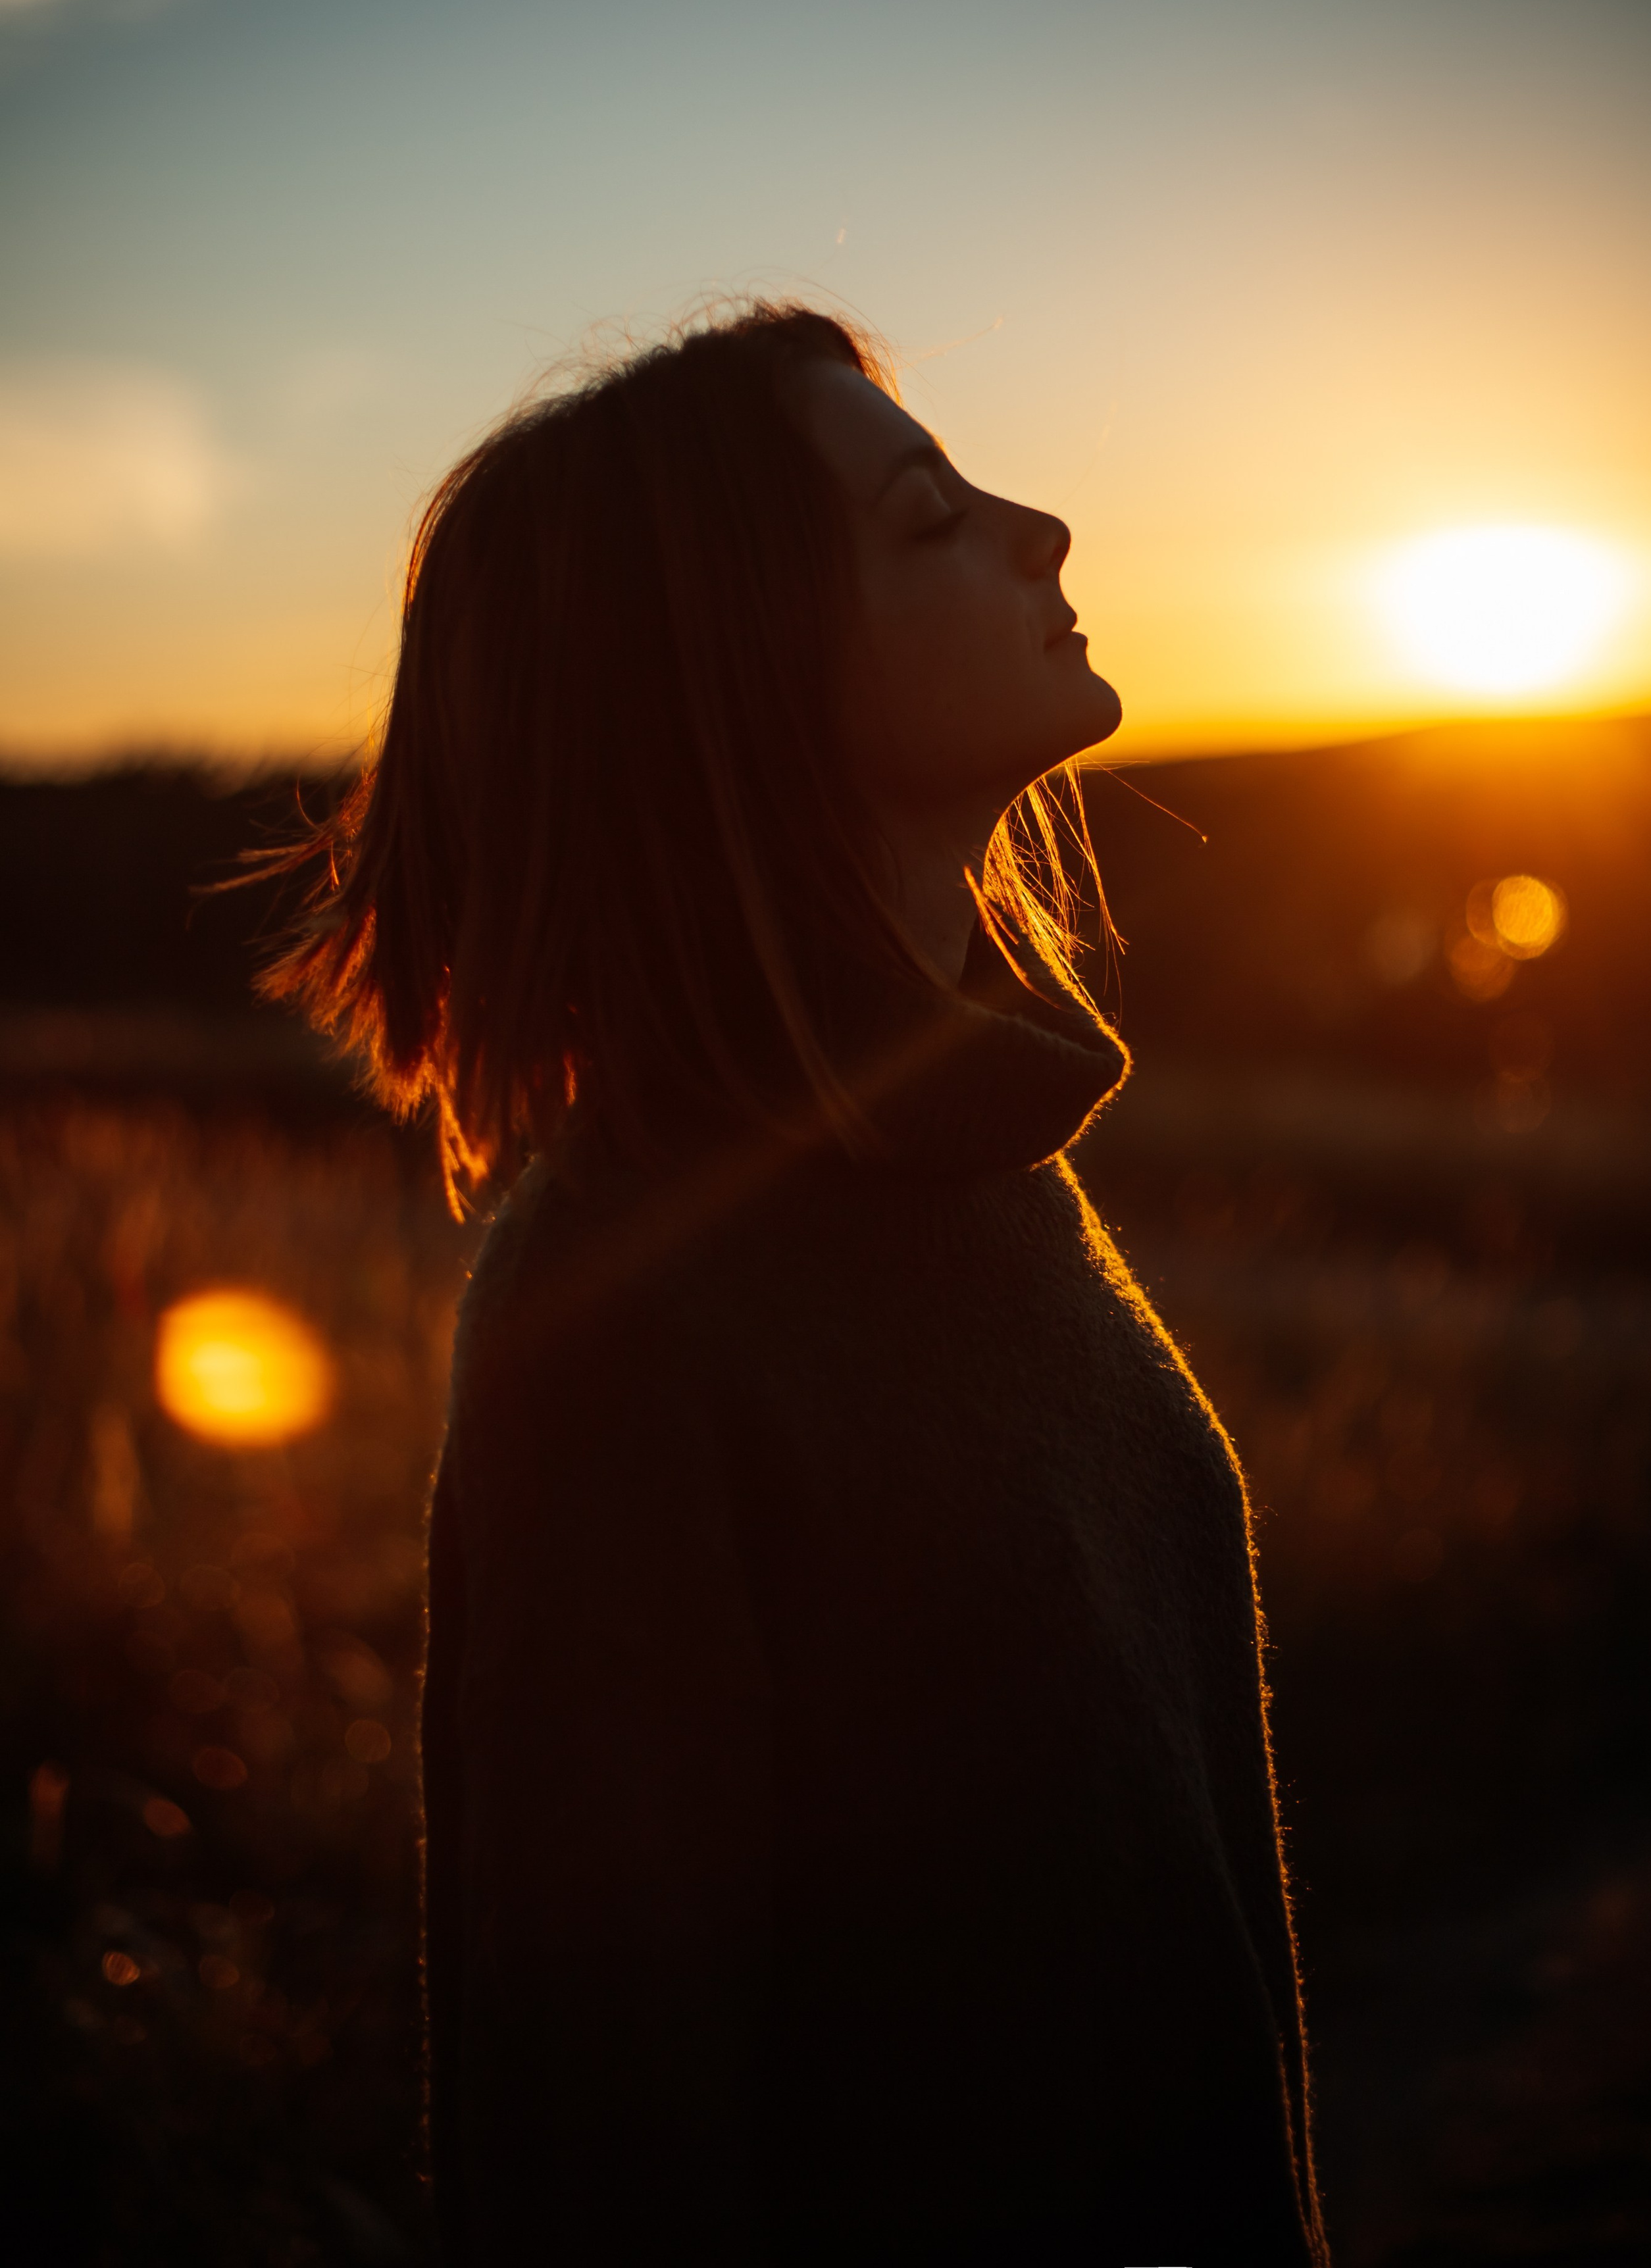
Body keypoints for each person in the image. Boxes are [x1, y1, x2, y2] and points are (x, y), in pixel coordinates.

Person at [265, 303, 1328, 2262]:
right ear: (732, 681)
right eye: (929, 523)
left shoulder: (985, 1179)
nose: (1045, 531)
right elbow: (602, 2121)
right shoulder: (631, 1314)